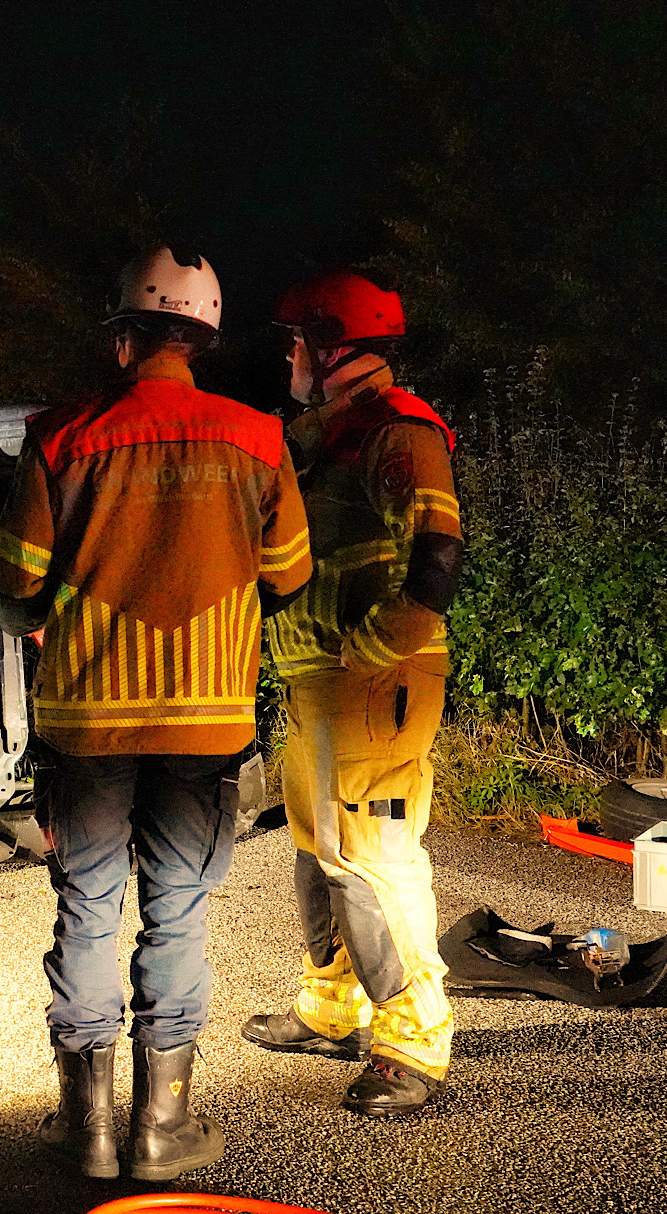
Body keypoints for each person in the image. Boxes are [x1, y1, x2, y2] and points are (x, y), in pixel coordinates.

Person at [0, 247, 312, 1181]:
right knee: (178, 920)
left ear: (125, 339)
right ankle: (161, 1131)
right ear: (202, 340)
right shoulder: (257, 438)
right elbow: (288, 577)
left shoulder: (62, 435)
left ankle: (85, 1128)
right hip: (205, 726)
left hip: (87, 719)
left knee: (87, 910)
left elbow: (12, 583)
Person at [243, 267, 463, 1117]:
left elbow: (437, 554)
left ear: (335, 345)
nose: (288, 356)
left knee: (371, 860)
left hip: (369, 682)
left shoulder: (396, 431)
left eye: (297, 340)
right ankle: (334, 1006)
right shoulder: (327, 433)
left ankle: (414, 1039)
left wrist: (375, 649)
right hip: (321, 681)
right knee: (316, 847)